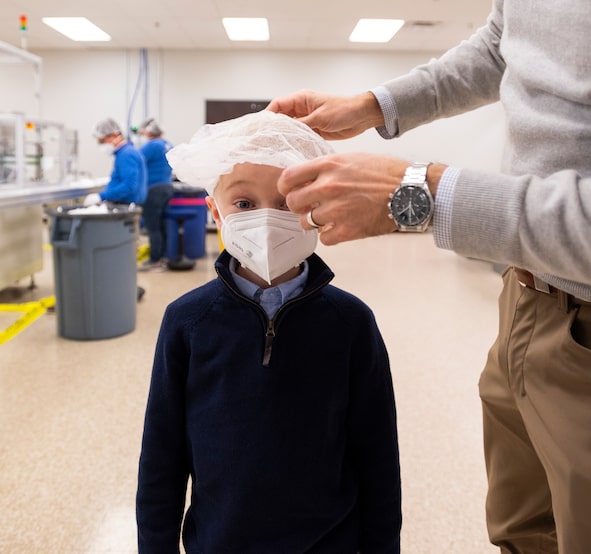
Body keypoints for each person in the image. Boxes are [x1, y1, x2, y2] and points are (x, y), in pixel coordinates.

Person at [267, 2, 591, 553]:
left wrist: (420, 196)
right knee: (522, 533)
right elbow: (504, 40)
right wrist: (377, 105)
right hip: (528, 300)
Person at [136, 110, 402, 553]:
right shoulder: (187, 321)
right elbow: (162, 455)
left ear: (318, 209)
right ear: (215, 212)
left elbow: (377, 453)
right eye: (243, 203)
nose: (265, 220)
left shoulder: (351, 323)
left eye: (286, 203)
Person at [137, 118, 174, 271]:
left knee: (153, 227)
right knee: (161, 225)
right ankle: (163, 256)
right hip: (167, 187)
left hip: (153, 189)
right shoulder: (167, 144)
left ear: (149, 132)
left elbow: (136, 161)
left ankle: (155, 260)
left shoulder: (151, 146)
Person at [84, 118, 147, 207]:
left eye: (102, 141)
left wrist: (101, 196)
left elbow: (129, 186)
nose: (101, 145)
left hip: (127, 206)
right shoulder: (124, 153)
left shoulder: (127, 154)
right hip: (126, 205)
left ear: (114, 135)